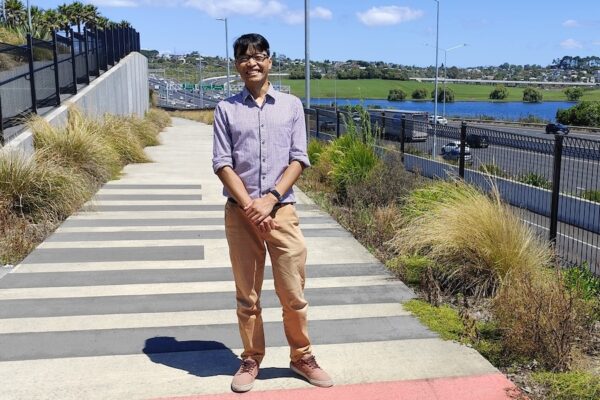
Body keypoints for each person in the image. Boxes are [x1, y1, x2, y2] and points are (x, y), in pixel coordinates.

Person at [212, 33, 333, 393]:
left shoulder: (291, 106)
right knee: (247, 295)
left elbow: (299, 159)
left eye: (258, 56)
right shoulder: (226, 109)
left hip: (282, 212)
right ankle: (251, 357)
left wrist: (271, 199)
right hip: (241, 215)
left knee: (293, 292)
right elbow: (222, 163)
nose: (251, 63)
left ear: (269, 60)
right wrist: (252, 206)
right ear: (236, 65)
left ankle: (302, 356)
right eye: (244, 57)